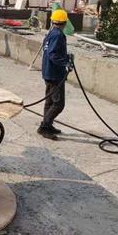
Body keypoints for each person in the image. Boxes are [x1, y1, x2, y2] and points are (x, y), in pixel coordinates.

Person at [38, 9, 71, 140]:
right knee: (58, 104)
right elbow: (53, 54)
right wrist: (66, 62)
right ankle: (44, 127)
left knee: (49, 101)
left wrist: (66, 57)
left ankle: (48, 124)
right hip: (55, 74)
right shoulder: (58, 35)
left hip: (48, 72)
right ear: (64, 23)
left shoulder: (51, 33)